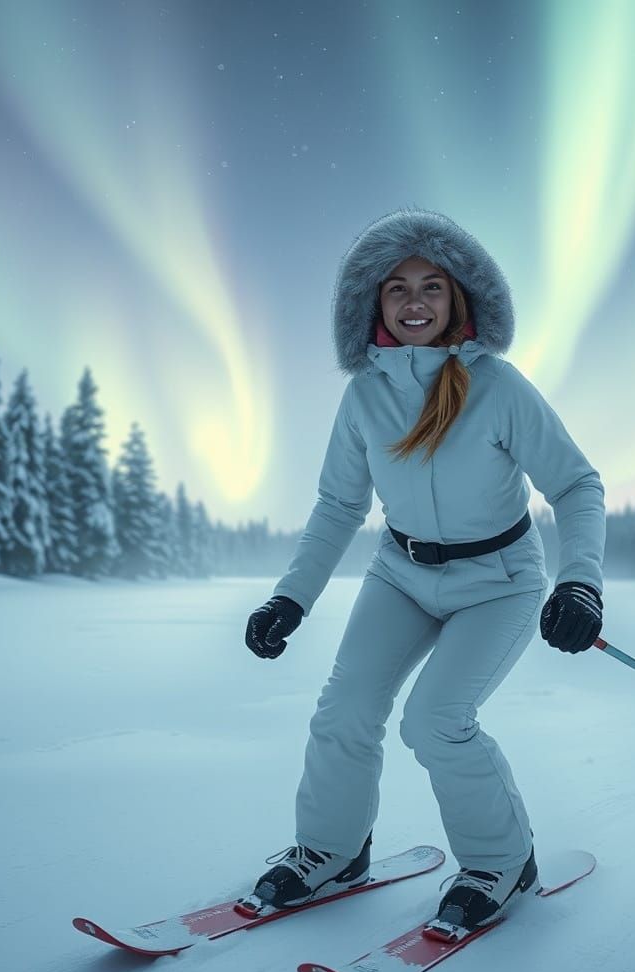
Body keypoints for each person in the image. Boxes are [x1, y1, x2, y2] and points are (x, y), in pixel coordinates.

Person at [243, 207, 605, 934]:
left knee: (436, 721)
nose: (414, 303)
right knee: (343, 712)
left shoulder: (498, 387)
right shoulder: (364, 397)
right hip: (401, 575)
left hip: (499, 582)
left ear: (458, 299)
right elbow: (338, 508)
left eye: (432, 287)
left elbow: (575, 484)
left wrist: (581, 581)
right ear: (373, 305)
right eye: (396, 288)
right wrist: (291, 598)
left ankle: (502, 862)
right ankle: (332, 852)